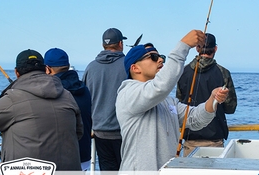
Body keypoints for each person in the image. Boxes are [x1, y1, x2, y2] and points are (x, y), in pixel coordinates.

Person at [115, 30, 229, 171]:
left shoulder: (167, 102)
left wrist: (213, 99)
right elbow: (161, 86)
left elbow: (194, 118)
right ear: (135, 68)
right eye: (153, 57)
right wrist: (184, 45)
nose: (161, 60)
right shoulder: (128, 93)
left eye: (161, 56)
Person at [0, 49, 83, 170]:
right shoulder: (67, 95)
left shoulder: (12, 99)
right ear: (45, 69)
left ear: (16, 72)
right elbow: (79, 132)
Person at [176, 33, 237, 156]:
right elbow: (230, 108)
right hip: (215, 139)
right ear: (215, 48)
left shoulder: (183, 72)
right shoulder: (223, 73)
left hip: (189, 139)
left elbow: (179, 104)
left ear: (197, 48)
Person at [82, 28, 127, 170]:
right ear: (120, 43)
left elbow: (85, 96)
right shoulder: (129, 65)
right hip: (124, 132)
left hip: (99, 131)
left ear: (103, 45)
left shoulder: (91, 67)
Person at [44, 48, 92, 171]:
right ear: (68, 65)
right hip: (84, 155)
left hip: (62, 159)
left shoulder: (53, 91)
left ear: (47, 69)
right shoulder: (83, 88)